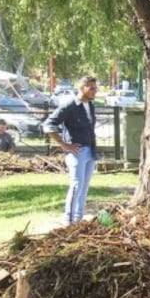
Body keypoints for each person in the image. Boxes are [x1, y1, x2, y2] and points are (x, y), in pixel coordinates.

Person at [43, 75, 99, 225]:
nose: (95, 91)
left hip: (90, 150)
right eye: (91, 88)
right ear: (82, 88)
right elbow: (49, 125)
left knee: (84, 187)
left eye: (96, 88)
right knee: (76, 185)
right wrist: (64, 145)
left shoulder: (90, 105)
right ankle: (68, 220)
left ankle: (78, 220)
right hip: (77, 152)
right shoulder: (70, 105)